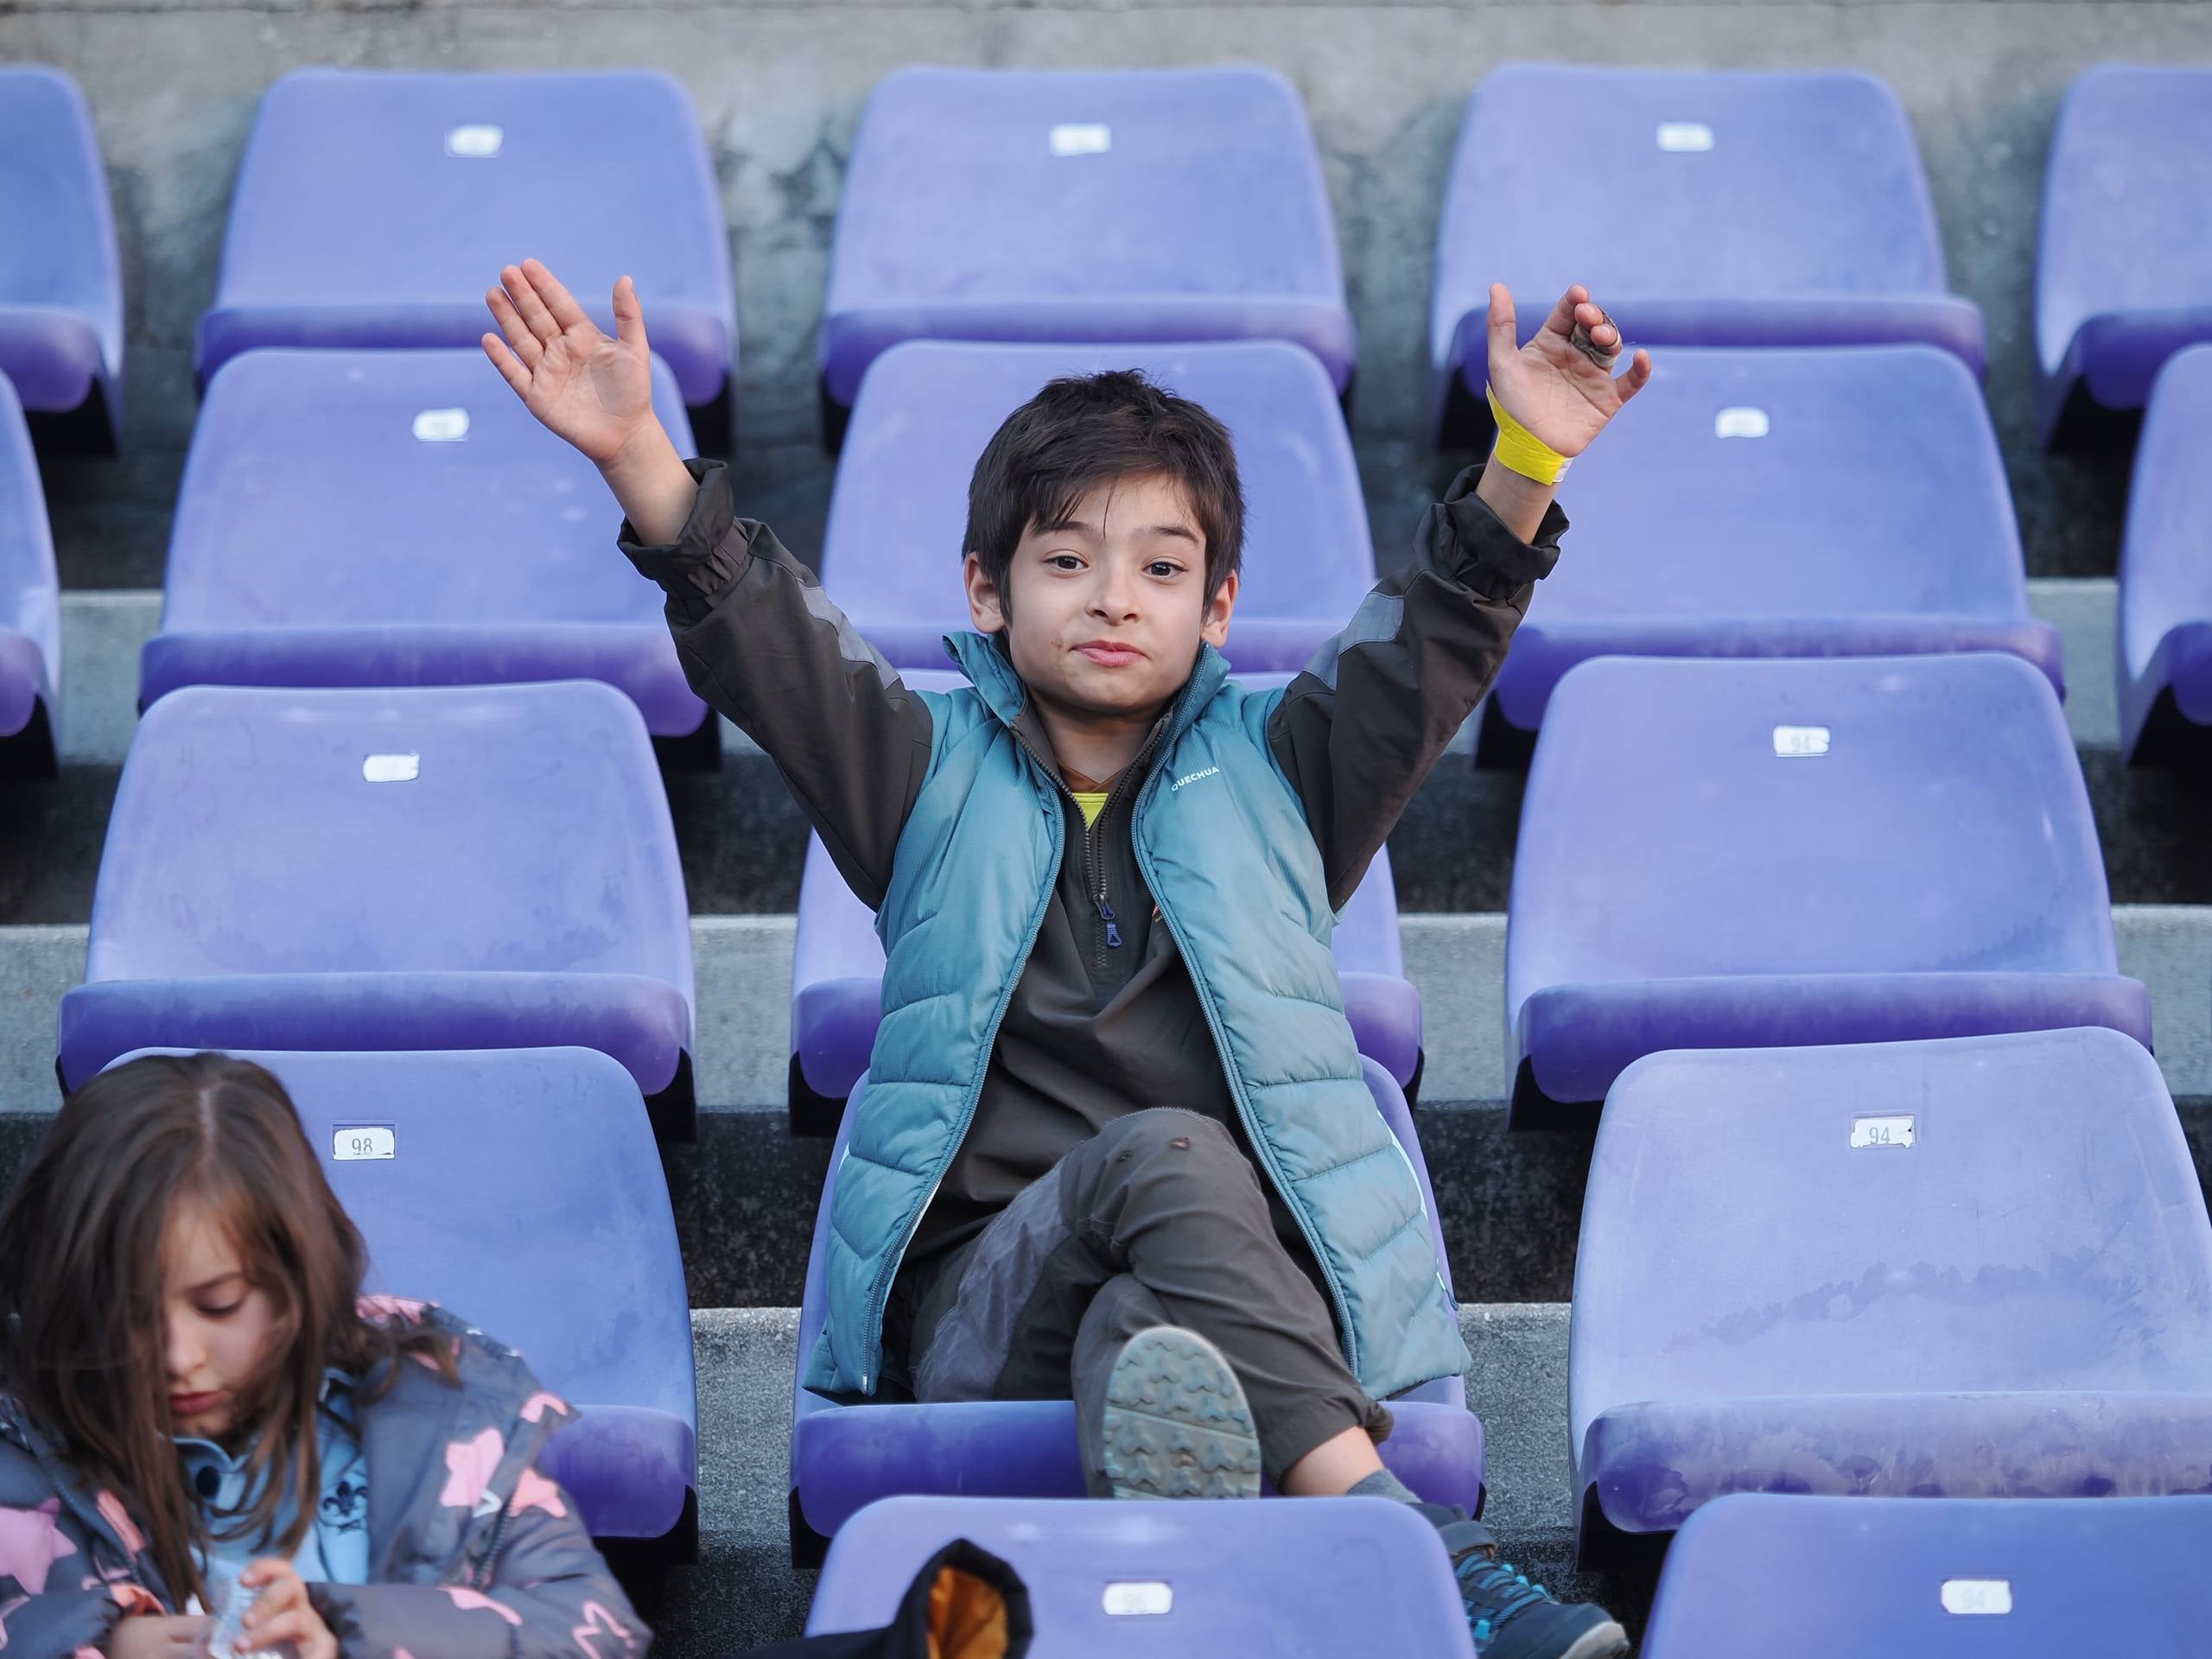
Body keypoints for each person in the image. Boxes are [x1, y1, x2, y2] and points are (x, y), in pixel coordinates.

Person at [486, 257, 1649, 1659]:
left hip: (1221, 1289)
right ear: (987, 591)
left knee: (1155, 1353)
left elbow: (1440, 635)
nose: (1114, 597)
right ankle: (1423, 1557)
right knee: (1160, 1155)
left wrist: (1525, 456)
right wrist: (638, 456)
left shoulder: (1286, 772)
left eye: (1162, 568)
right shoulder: (918, 772)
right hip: (983, 1298)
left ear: (1218, 608)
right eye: (1065, 559)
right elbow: (765, 641)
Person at [0, 1053, 647, 1659]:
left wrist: (347, 1634)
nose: (179, 1356)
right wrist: (96, 1642)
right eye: (128, 1315)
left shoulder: (441, 1411)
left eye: (221, 1305)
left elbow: (591, 1626)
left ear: (298, 1278)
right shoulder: (22, 1448)